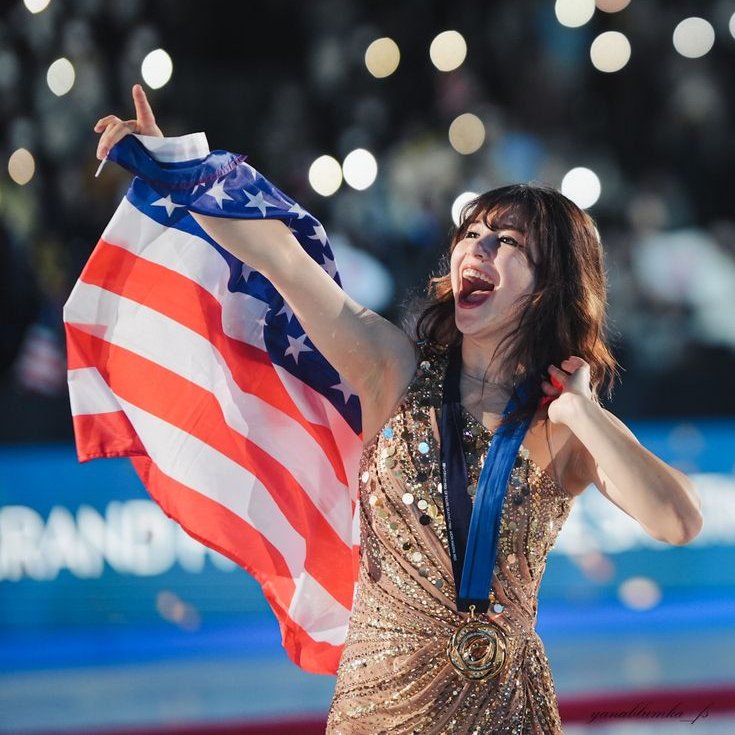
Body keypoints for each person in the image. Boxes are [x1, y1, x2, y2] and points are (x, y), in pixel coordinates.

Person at [94, 86, 703, 734]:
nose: (476, 250)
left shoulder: (564, 423)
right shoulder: (392, 368)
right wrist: (178, 166)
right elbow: (280, 259)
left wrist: (582, 414)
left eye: (505, 241)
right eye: (471, 235)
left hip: (508, 714)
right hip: (377, 711)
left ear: (550, 283)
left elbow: (677, 521)